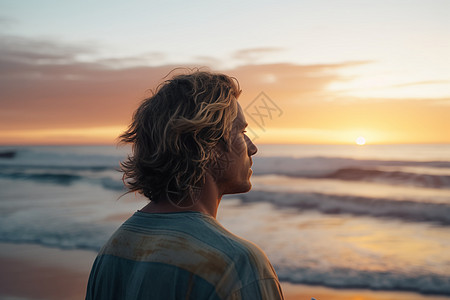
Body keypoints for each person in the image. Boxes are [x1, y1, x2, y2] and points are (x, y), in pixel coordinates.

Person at [86, 70, 284, 300]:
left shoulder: (112, 251)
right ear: (208, 147)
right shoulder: (236, 264)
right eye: (241, 132)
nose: (252, 148)